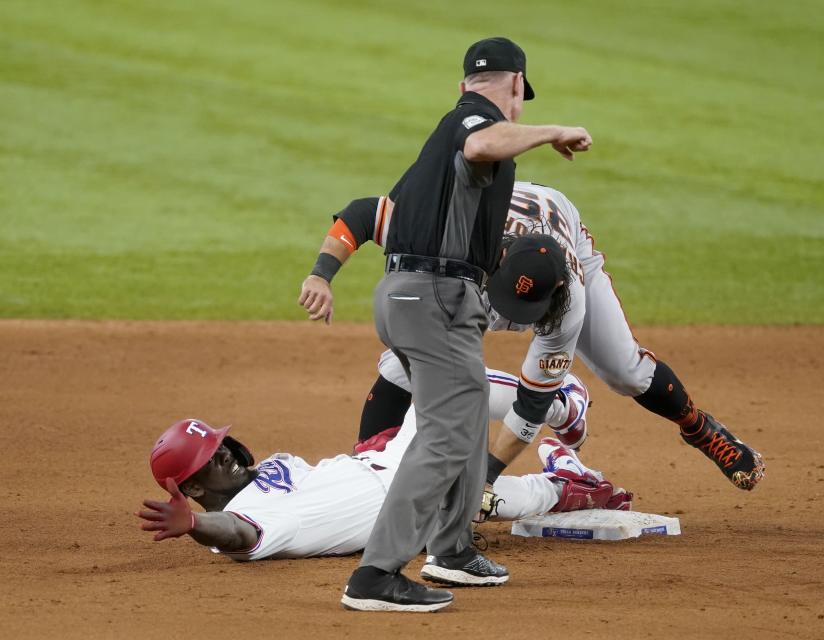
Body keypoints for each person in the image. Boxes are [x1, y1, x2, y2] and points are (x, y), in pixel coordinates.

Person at [299, 37, 592, 611]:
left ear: (464, 83)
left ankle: (452, 550)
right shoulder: (474, 124)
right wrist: (552, 132)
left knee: (464, 407)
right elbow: (485, 142)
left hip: (406, 297)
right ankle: (377, 575)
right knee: (444, 434)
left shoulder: (436, 153)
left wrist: (323, 272)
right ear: (515, 88)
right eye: (522, 101)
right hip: (436, 297)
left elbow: (371, 211)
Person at [303, 182, 765, 507]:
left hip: (565, 232)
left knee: (627, 371)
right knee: (406, 361)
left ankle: (699, 426)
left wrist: (485, 477)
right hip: (491, 245)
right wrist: (321, 274)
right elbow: (364, 214)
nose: (513, 320)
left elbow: (531, 402)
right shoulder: (455, 233)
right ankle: (370, 458)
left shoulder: (569, 302)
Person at [136, 373, 631, 569]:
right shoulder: (251, 516)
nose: (226, 454)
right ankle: (560, 407)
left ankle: (567, 481)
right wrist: (197, 525)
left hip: (393, 464)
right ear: (194, 486)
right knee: (448, 381)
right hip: (407, 503)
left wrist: (372, 448)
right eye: (212, 459)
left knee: (401, 363)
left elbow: (328, 480)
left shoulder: (268, 469)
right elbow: (238, 535)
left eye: (221, 445)